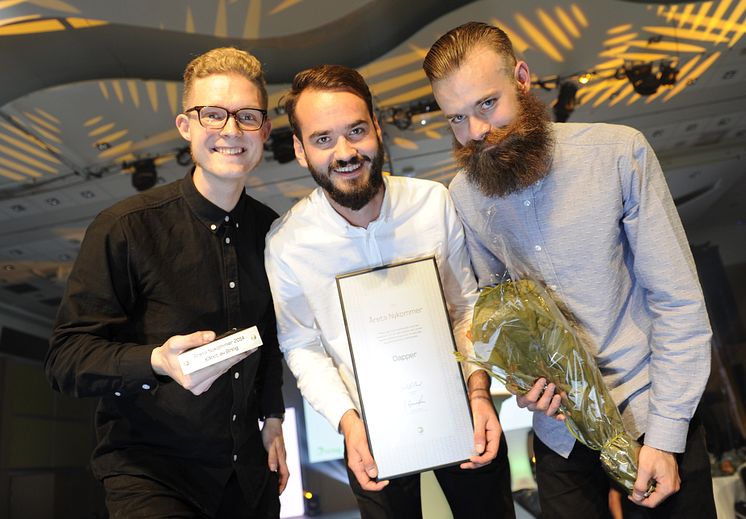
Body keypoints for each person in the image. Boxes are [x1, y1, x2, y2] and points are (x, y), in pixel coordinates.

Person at [423, 21, 716, 519]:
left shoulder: (620, 152)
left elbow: (678, 301)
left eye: (487, 104)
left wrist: (667, 437)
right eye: (456, 119)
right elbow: (496, 317)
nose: (476, 133)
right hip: (560, 437)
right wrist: (521, 382)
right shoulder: (464, 196)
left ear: (521, 77)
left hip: (652, 414)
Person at [45, 47, 288, 518]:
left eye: (247, 116)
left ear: (264, 130)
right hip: (152, 474)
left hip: (248, 476)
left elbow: (271, 338)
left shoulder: (273, 232)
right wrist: (157, 361)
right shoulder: (124, 227)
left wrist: (274, 417)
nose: (231, 131)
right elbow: (65, 360)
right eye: (212, 115)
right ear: (186, 127)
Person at [265, 64, 515, 518]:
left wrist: (480, 392)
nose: (345, 152)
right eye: (323, 139)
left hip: (463, 406)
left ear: (378, 130)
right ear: (300, 151)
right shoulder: (288, 244)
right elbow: (301, 345)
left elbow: (467, 307)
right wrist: (347, 423)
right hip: (368, 434)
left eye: (356, 130)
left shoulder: (431, 202)